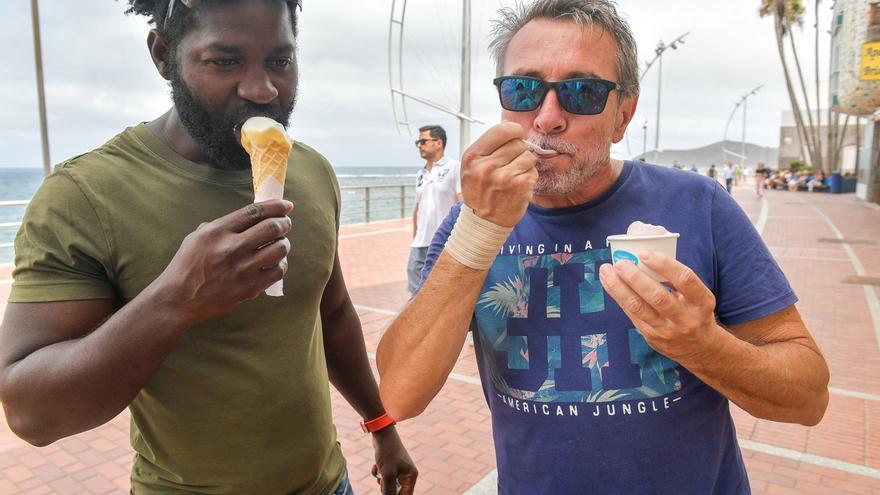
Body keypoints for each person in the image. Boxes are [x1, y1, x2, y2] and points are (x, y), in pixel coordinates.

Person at [375, 1, 829, 493]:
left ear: (623, 116)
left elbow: (808, 396)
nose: (546, 118)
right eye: (523, 89)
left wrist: (704, 347)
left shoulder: (698, 205)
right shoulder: (472, 224)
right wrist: (480, 230)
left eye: (582, 92)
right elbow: (399, 393)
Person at [0, 1, 417, 494]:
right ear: (163, 55)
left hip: (329, 483)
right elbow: (31, 414)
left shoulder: (312, 171)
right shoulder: (85, 196)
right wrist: (176, 299)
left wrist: (381, 425)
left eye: (279, 61)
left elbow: (334, 311)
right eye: (225, 61)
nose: (261, 89)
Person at [408, 125, 462, 295]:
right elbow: (418, 209)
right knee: (415, 290)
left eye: (423, 141)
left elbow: (463, 204)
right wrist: (415, 237)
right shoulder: (420, 174)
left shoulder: (455, 167)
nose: (419, 145)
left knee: (441, 292)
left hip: (443, 242)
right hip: (419, 243)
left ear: (438, 143)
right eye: (418, 142)